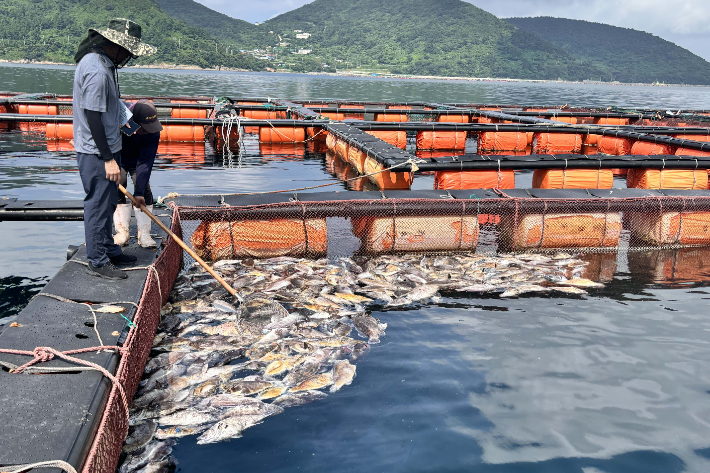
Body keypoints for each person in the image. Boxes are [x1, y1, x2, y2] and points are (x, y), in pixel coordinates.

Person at [72, 19, 156, 280]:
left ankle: (108, 248)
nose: (129, 56)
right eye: (128, 51)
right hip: (97, 152)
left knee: (108, 202)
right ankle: (97, 260)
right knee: (97, 205)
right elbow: (93, 116)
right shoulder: (96, 71)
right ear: (115, 45)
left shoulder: (104, 65)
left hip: (108, 147)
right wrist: (108, 158)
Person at [113, 99, 163, 248]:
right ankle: (122, 232)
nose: (146, 131)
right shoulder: (117, 116)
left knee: (144, 191)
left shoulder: (153, 132)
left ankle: (144, 234)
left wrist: (139, 192)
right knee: (118, 184)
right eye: (143, 128)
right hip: (118, 158)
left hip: (138, 161)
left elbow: (146, 161)